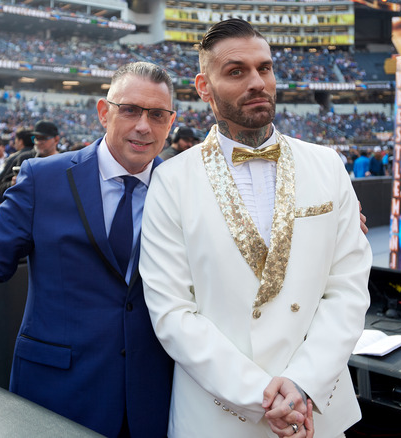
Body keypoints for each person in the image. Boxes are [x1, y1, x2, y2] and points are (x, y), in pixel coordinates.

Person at [0, 62, 180, 437]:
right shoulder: (44, 177)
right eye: (130, 109)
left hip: (153, 399)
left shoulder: (182, 186)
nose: (143, 125)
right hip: (57, 394)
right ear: (104, 112)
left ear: (170, 122)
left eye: (157, 114)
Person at [139, 19, 370, 438]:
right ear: (203, 86)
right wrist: (258, 393)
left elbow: (348, 287)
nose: (257, 82)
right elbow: (173, 311)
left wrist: (303, 383)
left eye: (264, 68)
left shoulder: (328, 164)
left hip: (317, 407)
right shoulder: (170, 181)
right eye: (236, 71)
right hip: (216, 415)